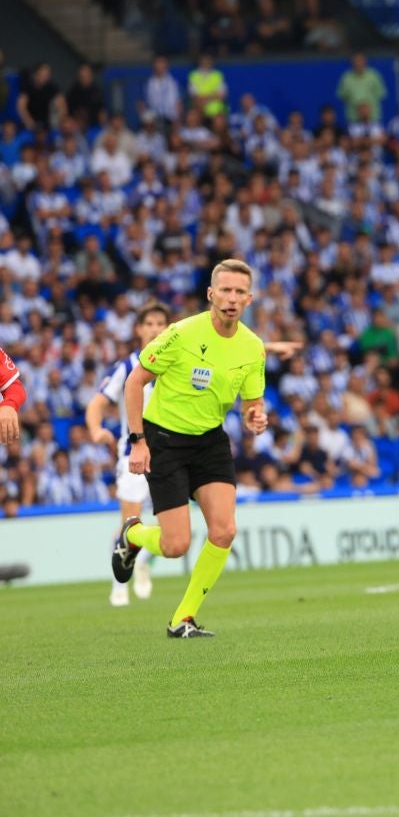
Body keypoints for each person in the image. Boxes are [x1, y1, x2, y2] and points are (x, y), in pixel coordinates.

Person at [111, 260, 269, 638]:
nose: (231, 299)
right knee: (175, 544)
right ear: (211, 295)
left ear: (249, 298)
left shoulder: (253, 347)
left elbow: (252, 403)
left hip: (210, 441)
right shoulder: (179, 334)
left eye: (239, 293)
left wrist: (255, 417)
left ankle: (182, 618)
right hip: (164, 439)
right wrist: (138, 441)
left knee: (224, 531)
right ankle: (132, 535)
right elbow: (134, 383)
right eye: (225, 291)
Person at [85, 300, 170, 607]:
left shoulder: (176, 363)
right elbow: (96, 403)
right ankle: (118, 585)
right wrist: (96, 431)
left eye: (160, 323)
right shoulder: (126, 366)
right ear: (138, 329)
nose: (155, 328)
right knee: (130, 524)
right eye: (149, 323)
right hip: (133, 454)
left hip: (170, 456)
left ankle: (144, 563)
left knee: (171, 530)